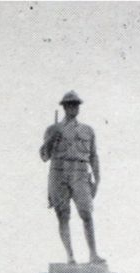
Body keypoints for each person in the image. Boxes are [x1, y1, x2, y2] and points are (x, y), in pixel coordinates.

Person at [40, 90, 103, 264]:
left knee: (86, 212)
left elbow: (94, 156)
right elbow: (44, 156)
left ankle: (93, 254)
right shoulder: (53, 129)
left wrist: (97, 179)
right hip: (58, 171)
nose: (73, 108)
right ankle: (70, 256)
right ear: (64, 107)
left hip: (80, 172)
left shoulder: (87, 130)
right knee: (63, 214)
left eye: (76, 105)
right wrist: (52, 139)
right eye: (69, 104)